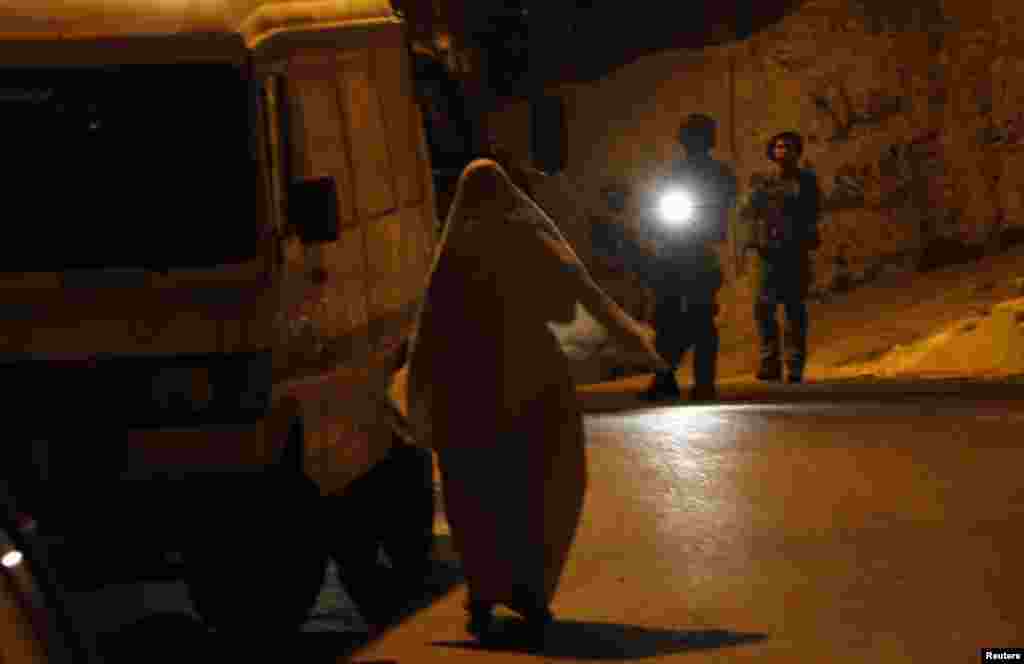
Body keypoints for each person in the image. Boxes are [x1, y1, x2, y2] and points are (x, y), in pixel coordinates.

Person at [389, 158, 667, 647]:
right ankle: (531, 593)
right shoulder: (529, 243)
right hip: (532, 380)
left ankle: (481, 592)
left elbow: (429, 332)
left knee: (475, 494)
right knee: (539, 487)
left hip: (467, 390)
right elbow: (568, 303)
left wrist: (421, 391)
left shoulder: (451, 256)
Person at [640, 113, 737, 402]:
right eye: (690, 135)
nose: (694, 141)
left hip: (701, 252)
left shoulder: (720, 173)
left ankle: (704, 382)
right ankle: (664, 378)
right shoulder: (671, 173)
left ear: (709, 140)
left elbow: (725, 203)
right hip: (671, 251)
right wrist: (654, 227)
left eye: (700, 135)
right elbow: (655, 204)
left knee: (702, 317)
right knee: (666, 317)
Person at [738, 130, 822, 383]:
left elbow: (813, 210)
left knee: (794, 310)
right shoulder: (761, 180)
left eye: (787, 146)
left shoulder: (806, 180)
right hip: (767, 253)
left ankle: (794, 365)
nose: (782, 151)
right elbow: (746, 210)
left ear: (797, 151)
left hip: (794, 252)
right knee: (764, 309)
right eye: (777, 146)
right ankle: (769, 363)